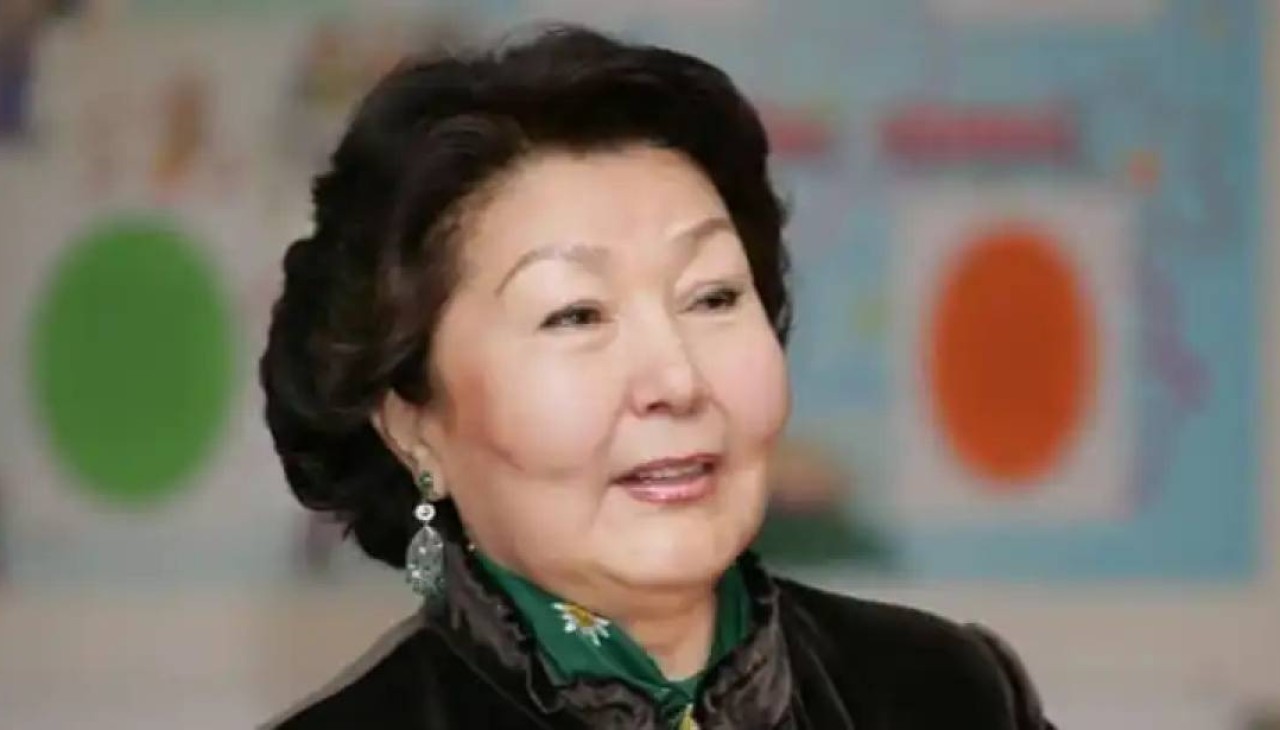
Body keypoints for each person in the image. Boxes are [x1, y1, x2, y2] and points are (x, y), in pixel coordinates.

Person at [259, 25, 1055, 730]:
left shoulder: (950, 695)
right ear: (413, 425)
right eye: (576, 315)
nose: (677, 379)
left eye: (713, 298)